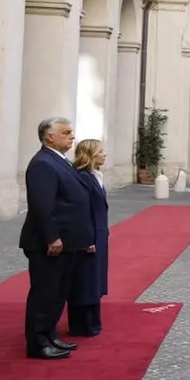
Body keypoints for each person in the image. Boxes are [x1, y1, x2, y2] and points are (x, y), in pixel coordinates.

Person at [20, 117, 94, 360]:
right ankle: (38, 343)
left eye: (71, 132)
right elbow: (42, 206)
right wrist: (52, 237)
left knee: (58, 293)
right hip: (50, 244)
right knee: (45, 293)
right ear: (49, 136)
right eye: (66, 132)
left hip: (68, 242)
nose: (72, 136)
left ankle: (50, 334)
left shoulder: (60, 161)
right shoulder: (43, 163)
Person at [67, 139, 109, 338]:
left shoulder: (95, 175)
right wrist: (86, 238)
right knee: (85, 279)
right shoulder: (83, 177)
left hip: (99, 233)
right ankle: (83, 324)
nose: (104, 154)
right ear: (90, 155)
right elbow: (82, 210)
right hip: (89, 235)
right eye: (100, 151)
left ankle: (93, 321)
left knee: (95, 277)